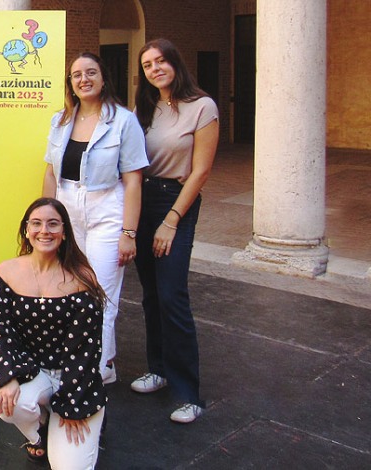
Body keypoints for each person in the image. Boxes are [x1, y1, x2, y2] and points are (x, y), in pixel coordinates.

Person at [42, 52, 148, 385]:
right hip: (67, 211)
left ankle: (91, 372)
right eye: (76, 75)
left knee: (100, 294)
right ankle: (102, 362)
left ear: (103, 79)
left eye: (91, 73)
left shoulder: (123, 121)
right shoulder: (60, 119)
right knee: (71, 289)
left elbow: (133, 179)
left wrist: (128, 233)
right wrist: (44, 216)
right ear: (70, 83)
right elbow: (50, 171)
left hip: (106, 210)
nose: (83, 79)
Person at [131, 38, 219, 424]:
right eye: (148, 65)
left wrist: (171, 220)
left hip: (175, 201)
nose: (155, 69)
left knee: (172, 294)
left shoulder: (203, 107)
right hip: (143, 198)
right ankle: (159, 369)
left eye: (161, 61)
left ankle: (188, 393)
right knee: (151, 293)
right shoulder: (144, 108)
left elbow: (200, 171)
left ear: (175, 63)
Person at [0, 198, 108, 469]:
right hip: (33, 373)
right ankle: (40, 430)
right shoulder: (5, 274)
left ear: (64, 232)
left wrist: (74, 404)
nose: (45, 231)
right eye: (37, 223)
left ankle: (79, 417)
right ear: (26, 230)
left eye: (53, 224)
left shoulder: (82, 278)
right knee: (7, 403)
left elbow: (85, 351)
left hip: (73, 379)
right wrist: (6, 379)